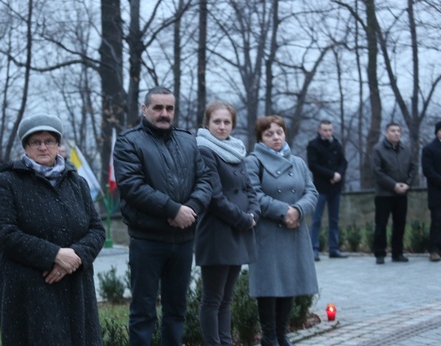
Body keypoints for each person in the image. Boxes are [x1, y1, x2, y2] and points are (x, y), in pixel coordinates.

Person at [0, 114, 106, 345]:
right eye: (36, 142)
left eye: (49, 141)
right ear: (26, 146)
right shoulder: (8, 181)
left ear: (57, 145)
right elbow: (5, 232)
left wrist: (74, 257)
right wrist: (54, 255)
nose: (43, 147)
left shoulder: (77, 182)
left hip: (75, 286)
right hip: (30, 290)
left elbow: (97, 229)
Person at [113, 86, 212, 346]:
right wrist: (173, 210)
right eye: (158, 107)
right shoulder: (128, 141)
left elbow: (205, 181)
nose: (164, 113)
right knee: (143, 311)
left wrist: (189, 208)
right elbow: (132, 186)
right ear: (144, 109)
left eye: (169, 108)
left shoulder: (189, 141)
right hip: (147, 240)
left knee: (176, 310)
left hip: (183, 240)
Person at [245, 115, 318, 346]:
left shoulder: (298, 162)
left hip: (294, 230)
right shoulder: (253, 161)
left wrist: (297, 210)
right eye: (269, 134)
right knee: (269, 284)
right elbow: (253, 194)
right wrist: (283, 211)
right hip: (268, 231)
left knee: (290, 281)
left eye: (279, 132)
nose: (275, 137)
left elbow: (312, 192)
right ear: (260, 138)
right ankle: (269, 336)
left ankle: (281, 333)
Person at [195, 100, 260, 346]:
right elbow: (215, 197)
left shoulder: (235, 150)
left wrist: (254, 214)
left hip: (239, 231)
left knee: (226, 299)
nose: (222, 127)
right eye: (217, 122)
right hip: (217, 233)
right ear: (207, 123)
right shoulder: (204, 150)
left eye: (227, 122)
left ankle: (226, 342)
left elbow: (249, 188)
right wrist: (243, 219)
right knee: (212, 299)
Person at [372, 123, 416, 264]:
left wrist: (407, 184)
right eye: (393, 131)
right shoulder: (378, 150)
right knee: (381, 224)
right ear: (386, 133)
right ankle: (380, 253)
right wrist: (393, 185)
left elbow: (413, 168)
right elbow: (377, 172)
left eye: (398, 131)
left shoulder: (406, 149)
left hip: (402, 194)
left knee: (400, 224)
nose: (396, 133)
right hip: (383, 194)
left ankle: (397, 253)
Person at [307, 120, 348, 261]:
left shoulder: (337, 144)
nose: (328, 133)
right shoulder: (313, 145)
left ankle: (334, 248)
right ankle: (314, 249)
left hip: (335, 188)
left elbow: (343, 162)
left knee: (334, 220)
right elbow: (313, 165)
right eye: (325, 130)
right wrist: (331, 175)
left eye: (330, 130)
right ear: (319, 130)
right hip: (320, 188)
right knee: (316, 219)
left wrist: (339, 175)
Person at [421, 121, 441, 262]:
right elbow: (428, 171)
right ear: (437, 132)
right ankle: (434, 250)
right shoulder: (429, 149)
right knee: (437, 222)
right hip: (437, 193)